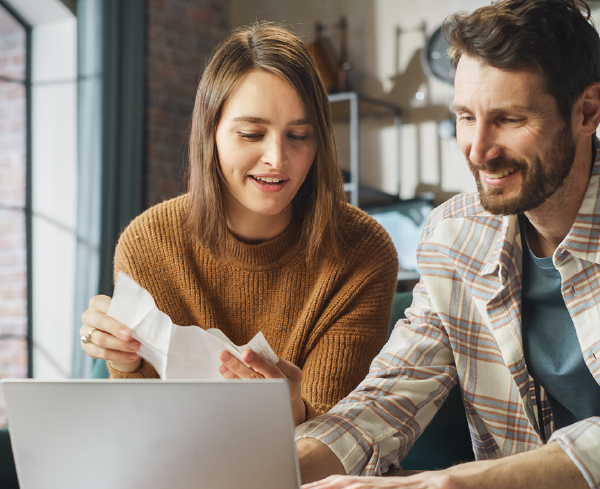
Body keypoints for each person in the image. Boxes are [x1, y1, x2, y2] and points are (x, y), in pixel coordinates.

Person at [297, 0, 600, 489]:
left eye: (510, 120)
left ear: (587, 110)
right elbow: (390, 398)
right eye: (464, 116)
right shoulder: (453, 236)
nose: (478, 150)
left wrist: (439, 487)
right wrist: (270, 471)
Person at [79, 23, 398, 426]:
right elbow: (144, 427)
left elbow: (342, 437)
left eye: (299, 136)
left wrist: (291, 410)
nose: (277, 158)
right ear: (210, 133)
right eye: (251, 134)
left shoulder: (362, 249)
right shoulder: (150, 243)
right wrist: (120, 356)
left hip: (317, 478)